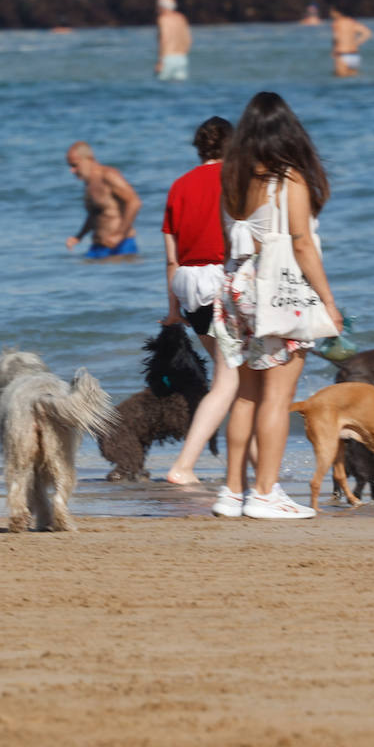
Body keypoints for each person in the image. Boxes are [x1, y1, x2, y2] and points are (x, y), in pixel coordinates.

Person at [208, 92, 343, 520]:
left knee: (245, 395)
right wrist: (329, 301)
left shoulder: (233, 179)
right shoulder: (290, 180)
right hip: (277, 292)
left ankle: (233, 492)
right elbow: (301, 244)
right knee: (278, 395)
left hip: (236, 289)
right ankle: (265, 492)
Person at [161, 116, 236, 484]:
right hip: (222, 280)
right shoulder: (237, 179)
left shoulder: (179, 186)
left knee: (232, 377)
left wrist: (174, 310)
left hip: (188, 285)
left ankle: (244, 469)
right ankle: (184, 466)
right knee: (230, 378)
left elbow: (171, 256)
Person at [64, 141, 141, 259]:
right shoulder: (89, 182)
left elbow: (134, 202)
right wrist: (78, 237)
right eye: (70, 166)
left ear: (88, 159)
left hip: (121, 246)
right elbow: (95, 214)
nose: (72, 170)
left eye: (75, 165)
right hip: (97, 247)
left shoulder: (108, 175)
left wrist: (119, 235)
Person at [155, 0, 192, 81]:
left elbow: (164, 39)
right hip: (182, 58)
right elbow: (188, 39)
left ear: (162, 6)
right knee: (180, 89)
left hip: (167, 58)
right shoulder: (181, 18)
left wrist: (160, 61)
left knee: (162, 89)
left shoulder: (163, 19)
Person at [330, 6, 372, 77]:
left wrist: (333, 50)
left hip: (342, 54)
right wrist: (356, 42)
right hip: (354, 54)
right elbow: (367, 33)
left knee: (341, 80)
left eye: (332, 12)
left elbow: (336, 38)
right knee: (353, 80)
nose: (331, 14)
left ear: (337, 13)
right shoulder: (352, 22)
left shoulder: (337, 23)